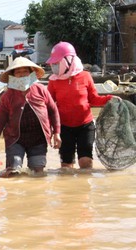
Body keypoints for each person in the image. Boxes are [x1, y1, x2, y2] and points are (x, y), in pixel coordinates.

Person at [0, 57, 61, 177]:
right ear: (13, 75)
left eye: (25, 71)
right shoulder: (7, 96)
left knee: (38, 173)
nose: (21, 75)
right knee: (13, 171)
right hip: (15, 139)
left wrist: (57, 133)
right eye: (18, 72)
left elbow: (53, 110)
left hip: (38, 139)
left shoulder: (41, 90)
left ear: (30, 73)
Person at [46, 41, 114, 169]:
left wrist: (109, 99)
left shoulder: (85, 76)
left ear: (68, 61)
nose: (54, 66)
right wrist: (52, 130)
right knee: (66, 166)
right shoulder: (54, 80)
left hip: (85, 126)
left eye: (57, 63)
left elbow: (94, 99)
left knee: (85, 162)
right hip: (64, 128)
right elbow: (49, 105)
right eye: (53, 63)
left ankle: (86, 188)